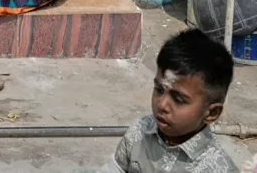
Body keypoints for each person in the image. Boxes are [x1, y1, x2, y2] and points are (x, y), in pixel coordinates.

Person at [102, 29, 238, 172]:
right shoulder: (139, 133)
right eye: (159, 90)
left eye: (178, 99)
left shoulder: (218, 168)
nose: (162, 105)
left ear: (212, 113)